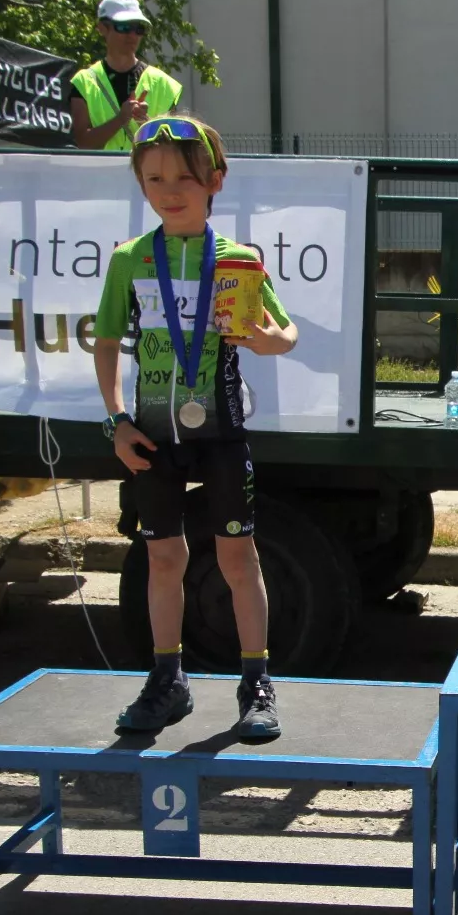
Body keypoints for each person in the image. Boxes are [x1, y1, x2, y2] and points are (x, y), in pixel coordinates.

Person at [92, 116, 299, 738]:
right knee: (163, 559)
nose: (169, 190)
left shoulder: (238, 261)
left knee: (237, 558)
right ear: (141, 185)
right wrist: (116, 422)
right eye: (154, 179)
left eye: (184, 177)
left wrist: (267, 340)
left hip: (221, 432)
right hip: (153, 433)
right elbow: (107, 342)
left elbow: (285, 333)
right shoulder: (130, 259)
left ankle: (256, 682)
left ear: (215, 181)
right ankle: (168, 680)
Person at [69, 0, 183, 151]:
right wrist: (121, 119)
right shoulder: (83, 82)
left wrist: (144, 122)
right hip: (100, 168)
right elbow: (83, 144)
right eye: (123, 27)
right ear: (102, 28)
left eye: (138, 29)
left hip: (146, 169)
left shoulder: (164, 84)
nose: (132, 35)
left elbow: (172, 149)